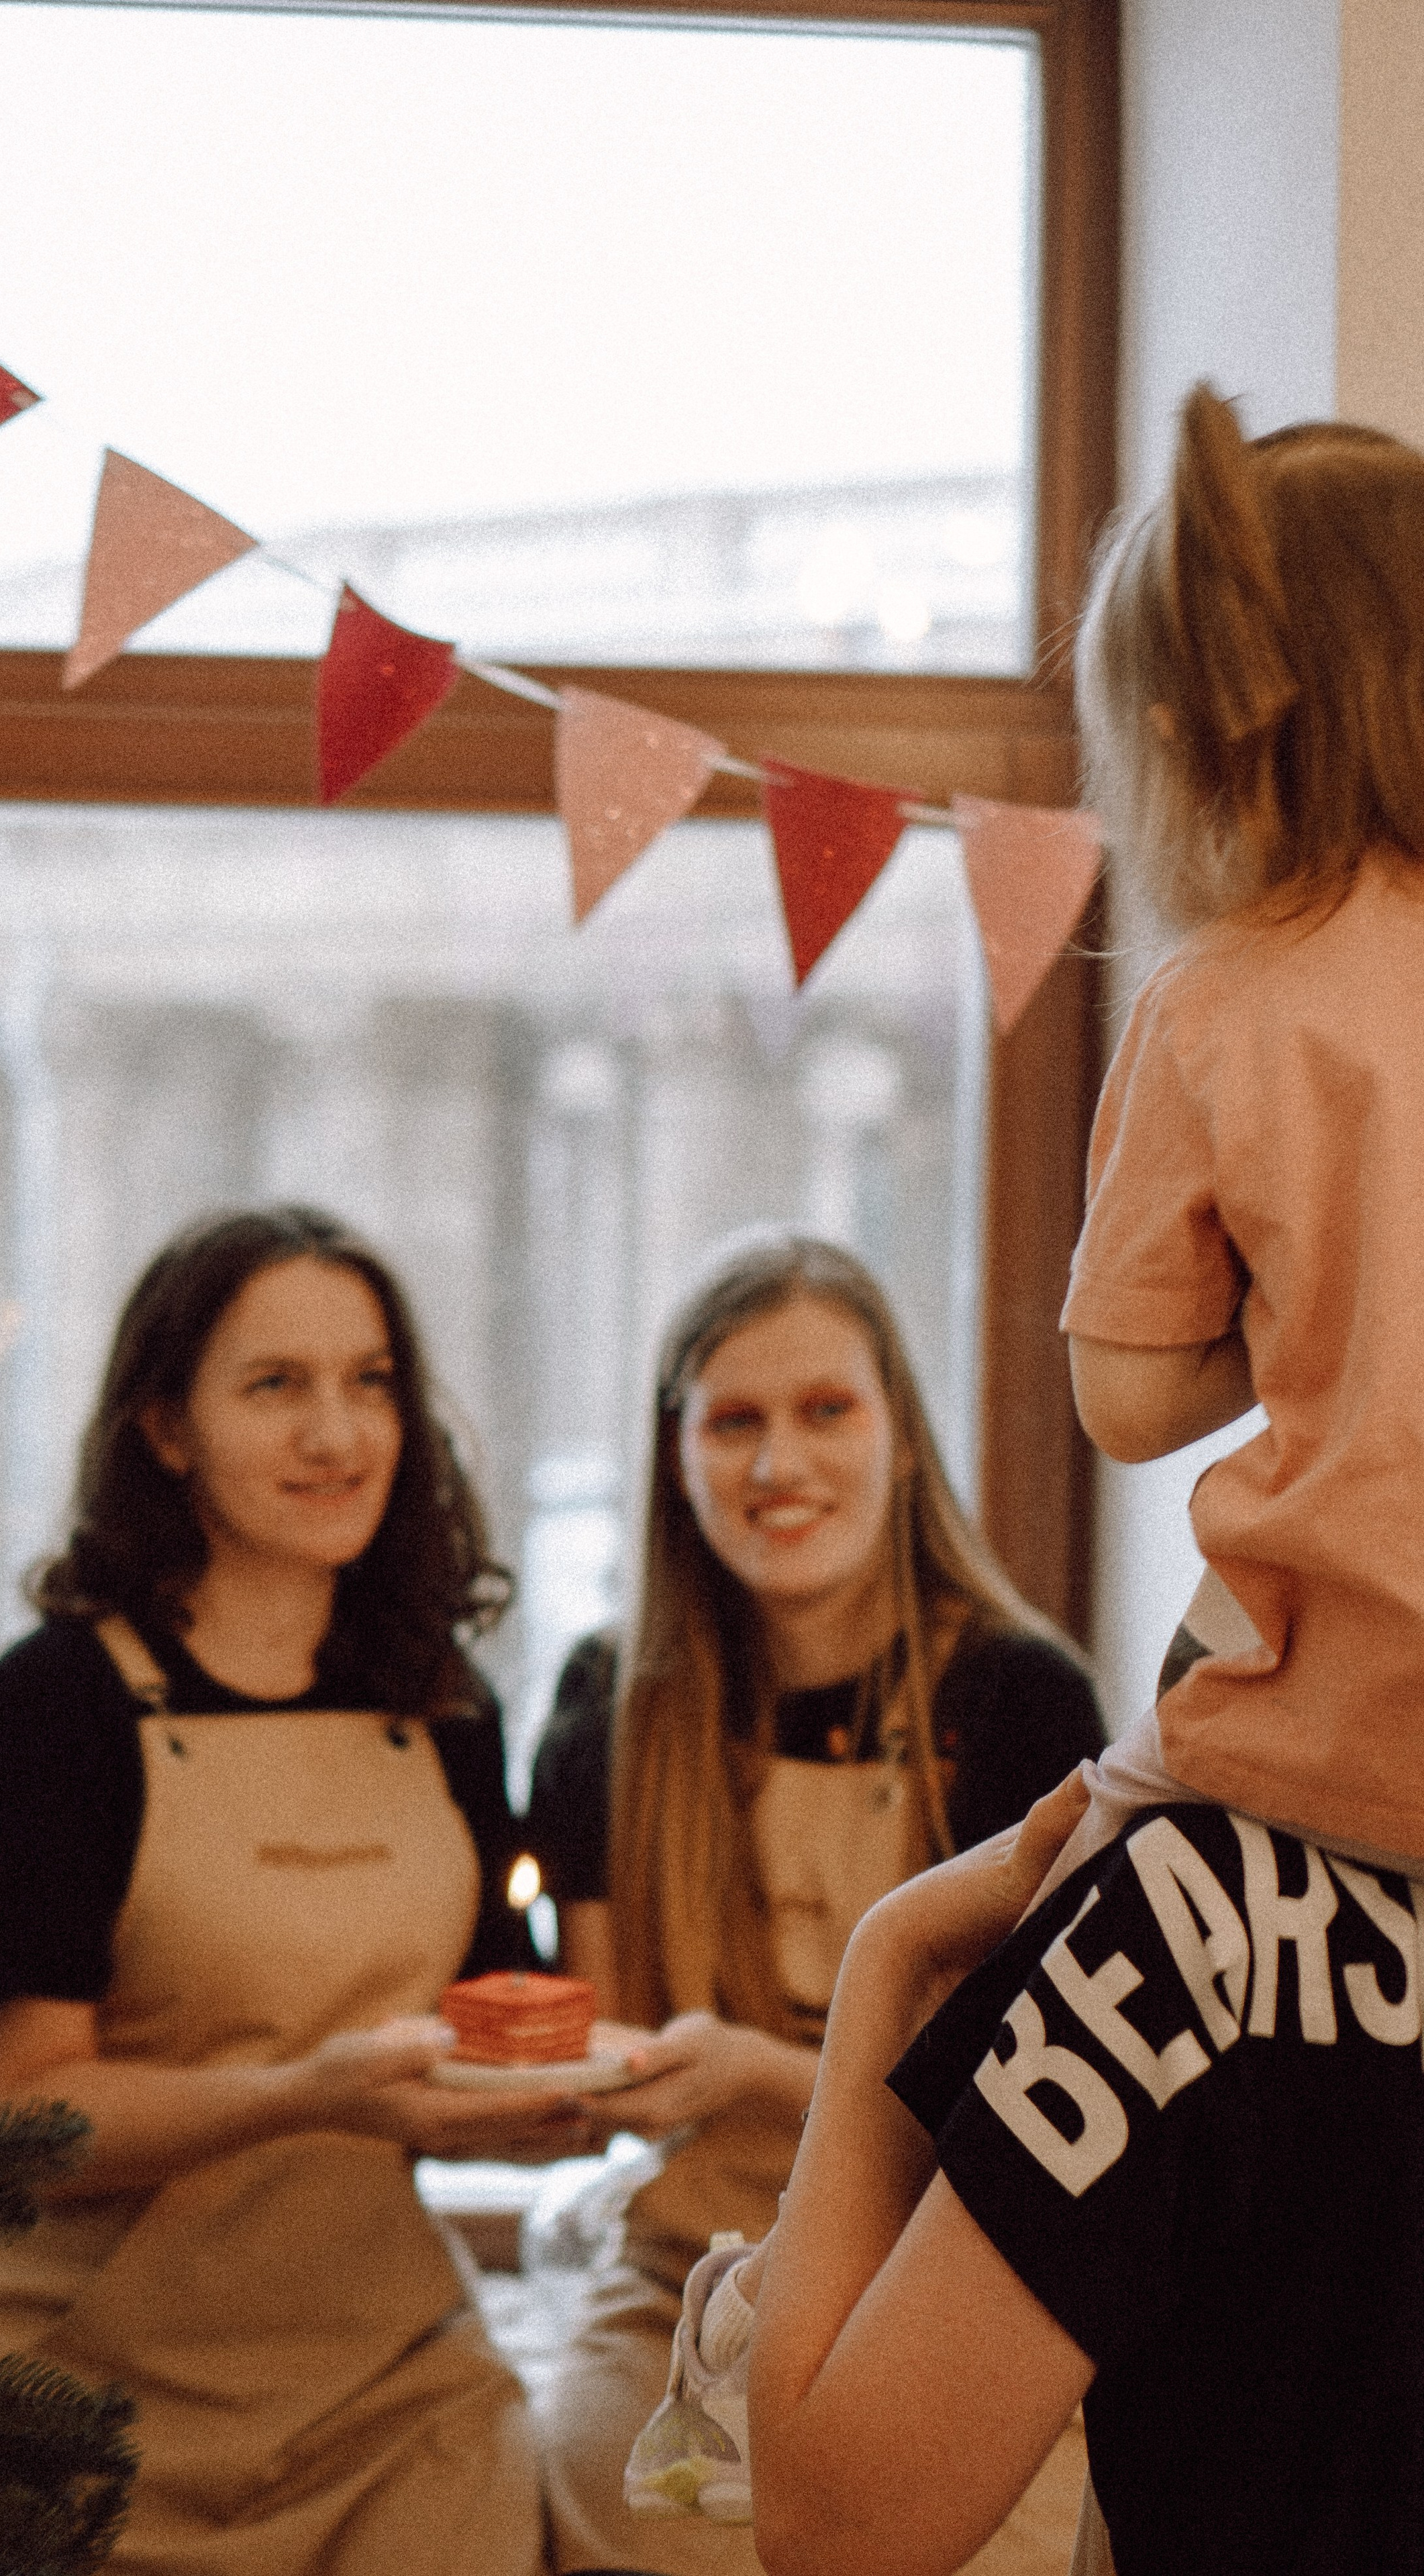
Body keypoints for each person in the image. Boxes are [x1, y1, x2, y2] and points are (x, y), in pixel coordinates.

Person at [699, 386, 1424, 2576]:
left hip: (1310, 1777)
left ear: (1212, 734)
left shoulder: (1196, 1926)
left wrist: (884, 1998)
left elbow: (843, 2520)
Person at [0, 1205, 591, 2576]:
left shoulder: (445, 1711)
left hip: (382, 2389)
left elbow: (459, 2051)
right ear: (166, 1428)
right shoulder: (45, 1716)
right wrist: (313, 2093)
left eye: (370, 1383)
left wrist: (545, 2113)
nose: (336, 1436)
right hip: (71, 2387)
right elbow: (25, 2116)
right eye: (275, 1386)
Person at [525, 1229, 1105, 2575]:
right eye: (733, 1421)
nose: (777, 1465)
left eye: (824, 1411)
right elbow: (607, 2051)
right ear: (673, 1456)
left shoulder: (1021, 1702)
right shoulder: (605, 1716)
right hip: (679, 2286)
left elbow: (1035, 2119)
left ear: (900, 1434)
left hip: (958, 2295)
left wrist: (746, 2074)